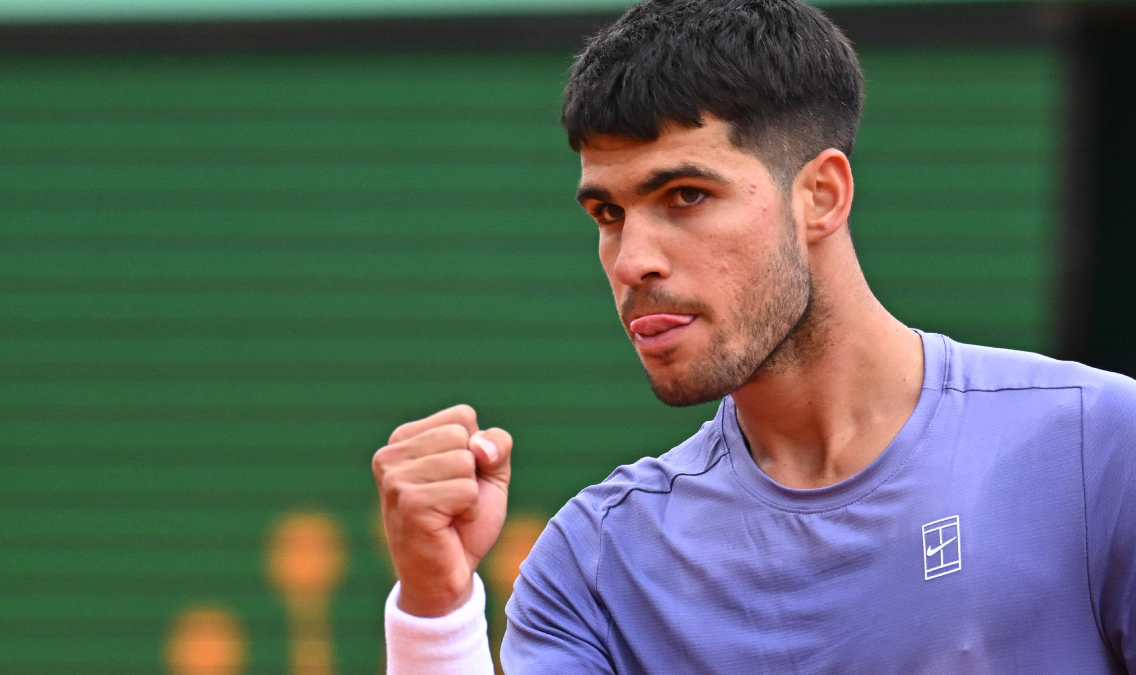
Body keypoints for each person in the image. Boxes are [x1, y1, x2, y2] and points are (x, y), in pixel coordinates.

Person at [371, 0, 1136, 672]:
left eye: (685, 194)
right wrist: (436, 606)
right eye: (607, 214)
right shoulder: (593, 567)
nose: (633, 259)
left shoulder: (1099, 446)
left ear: (821, 196)